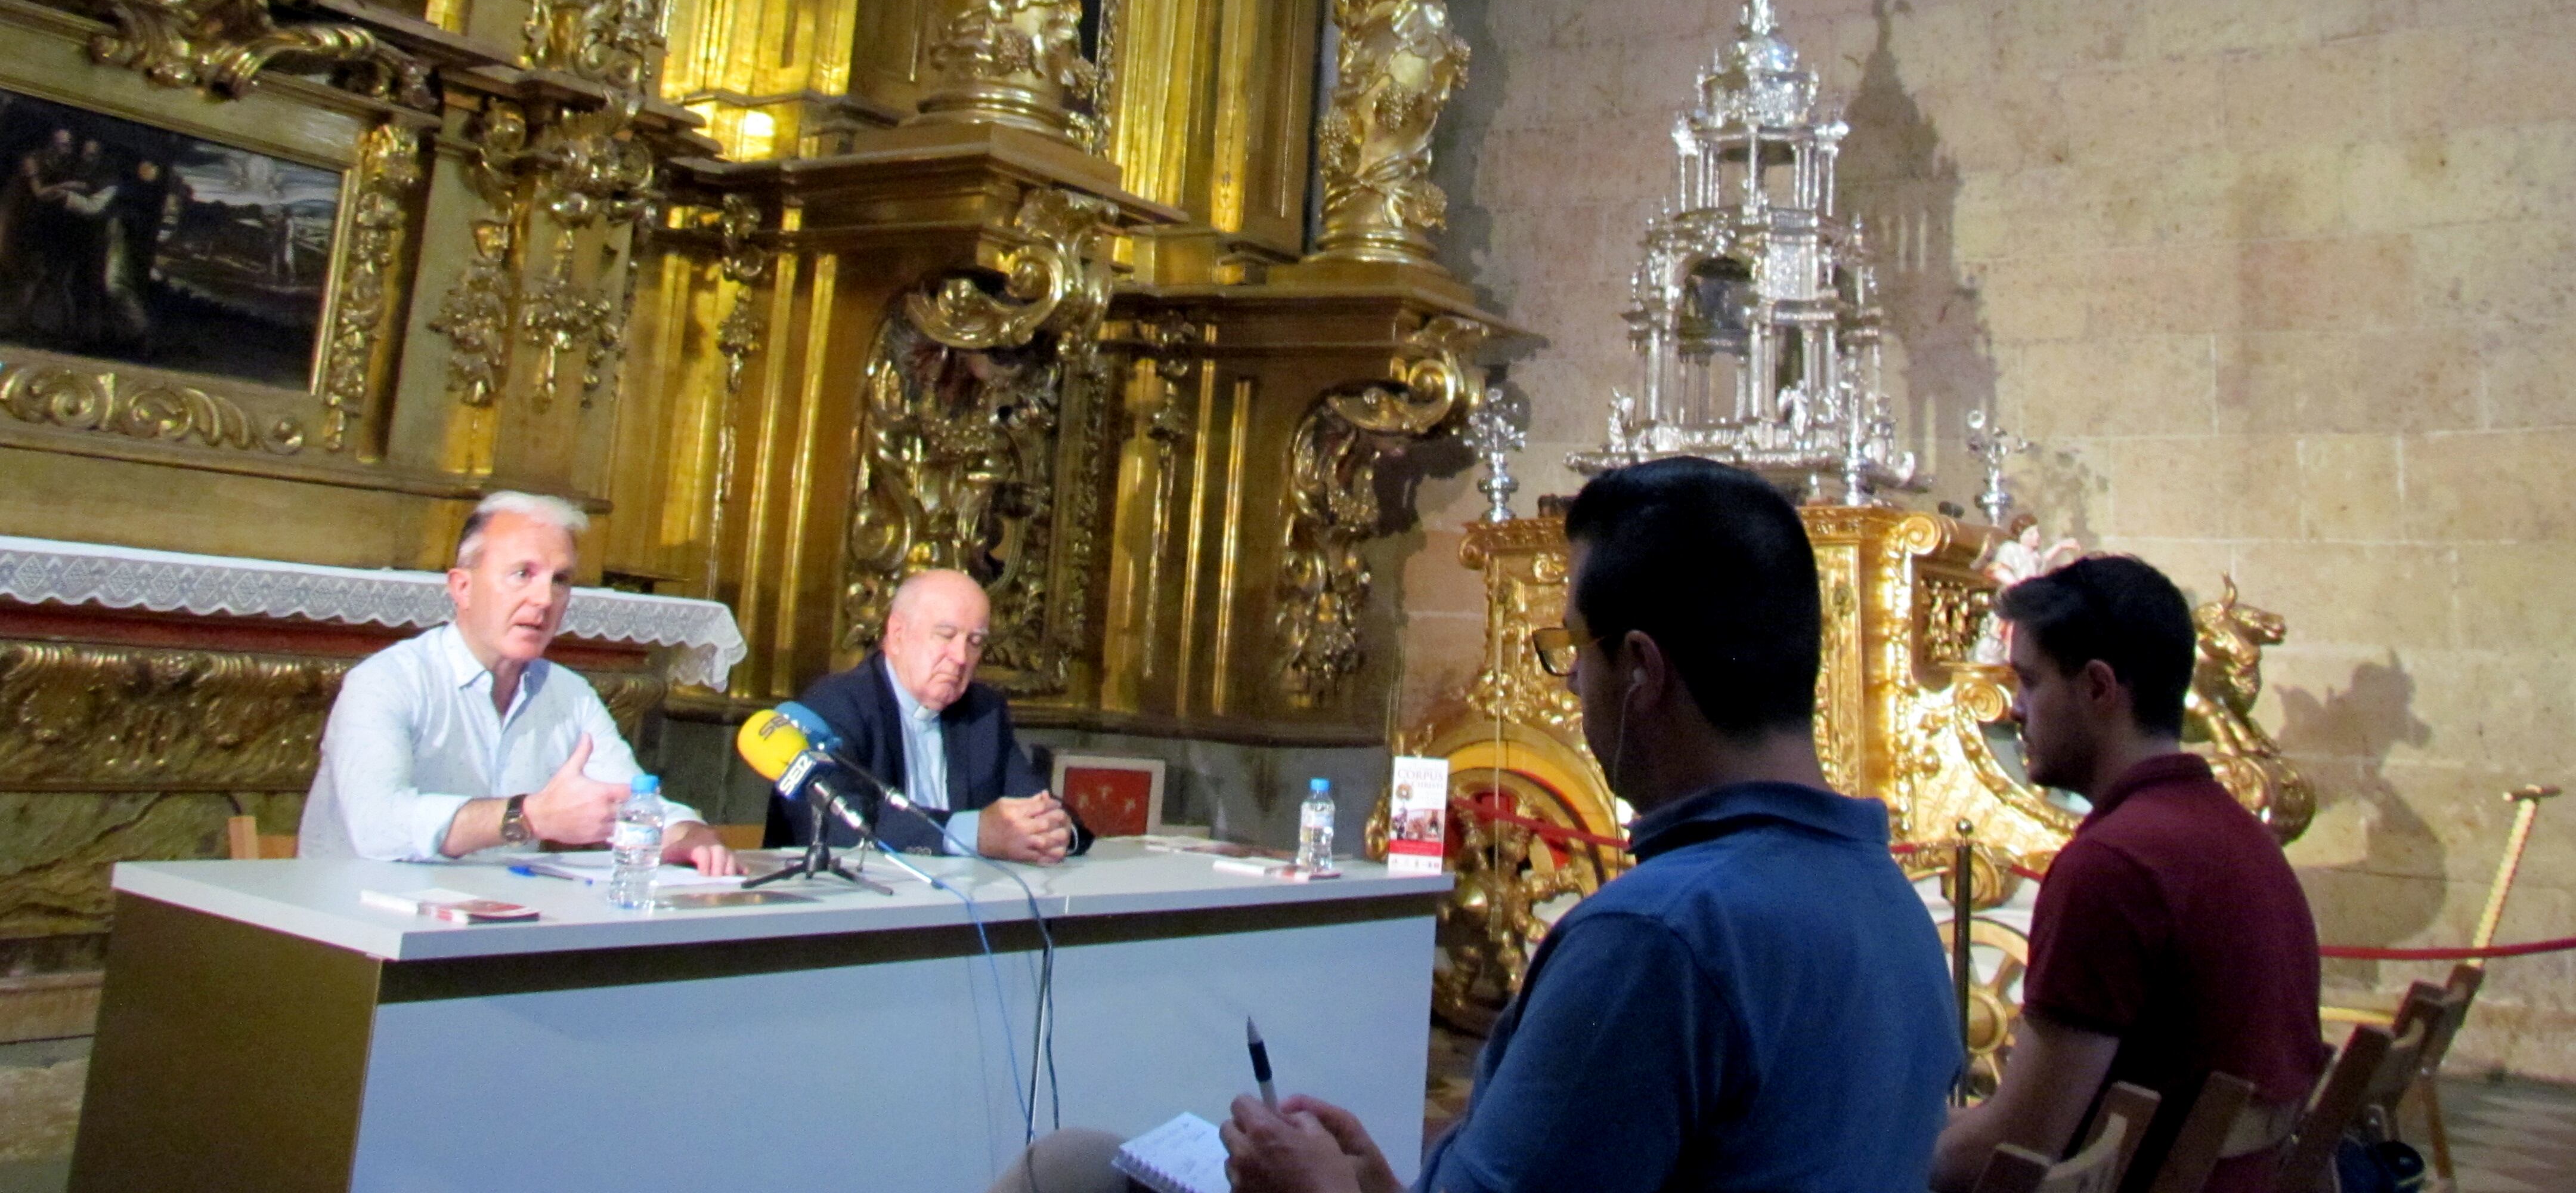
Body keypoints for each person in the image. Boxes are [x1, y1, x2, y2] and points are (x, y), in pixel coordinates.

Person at [986, 458, 1961, 1193]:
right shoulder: (1889, 900)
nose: (1571, 680)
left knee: (1065, 1168)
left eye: (1571, 648)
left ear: (1644, 672)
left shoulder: (1660, 936)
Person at [1930, 556, 2321, 1193]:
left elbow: (2013, 1153)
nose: (2016, 710)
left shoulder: (2115, 866)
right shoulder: (2238, 833)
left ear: (2098, 688)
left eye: (2029, 682)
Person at [299, 491, 738, 872]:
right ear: (463, 587)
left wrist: (687, 834)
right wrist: (527, 818)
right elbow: (377, 826)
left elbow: (629, 798)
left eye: (560, 580)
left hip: (492, 926)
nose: (544, 600)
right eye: (522, 574)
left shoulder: (568, 696)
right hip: (358, 933)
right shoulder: (385, 682)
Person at [783, 567, 1084, 865]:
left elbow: (1034, 802)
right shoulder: (835, 703)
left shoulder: (983, 712)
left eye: (975, 642)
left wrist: (1055, 830)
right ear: (898, 634)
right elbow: (832, 822)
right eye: (946, 635)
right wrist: (971, 833)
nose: (961, 657)